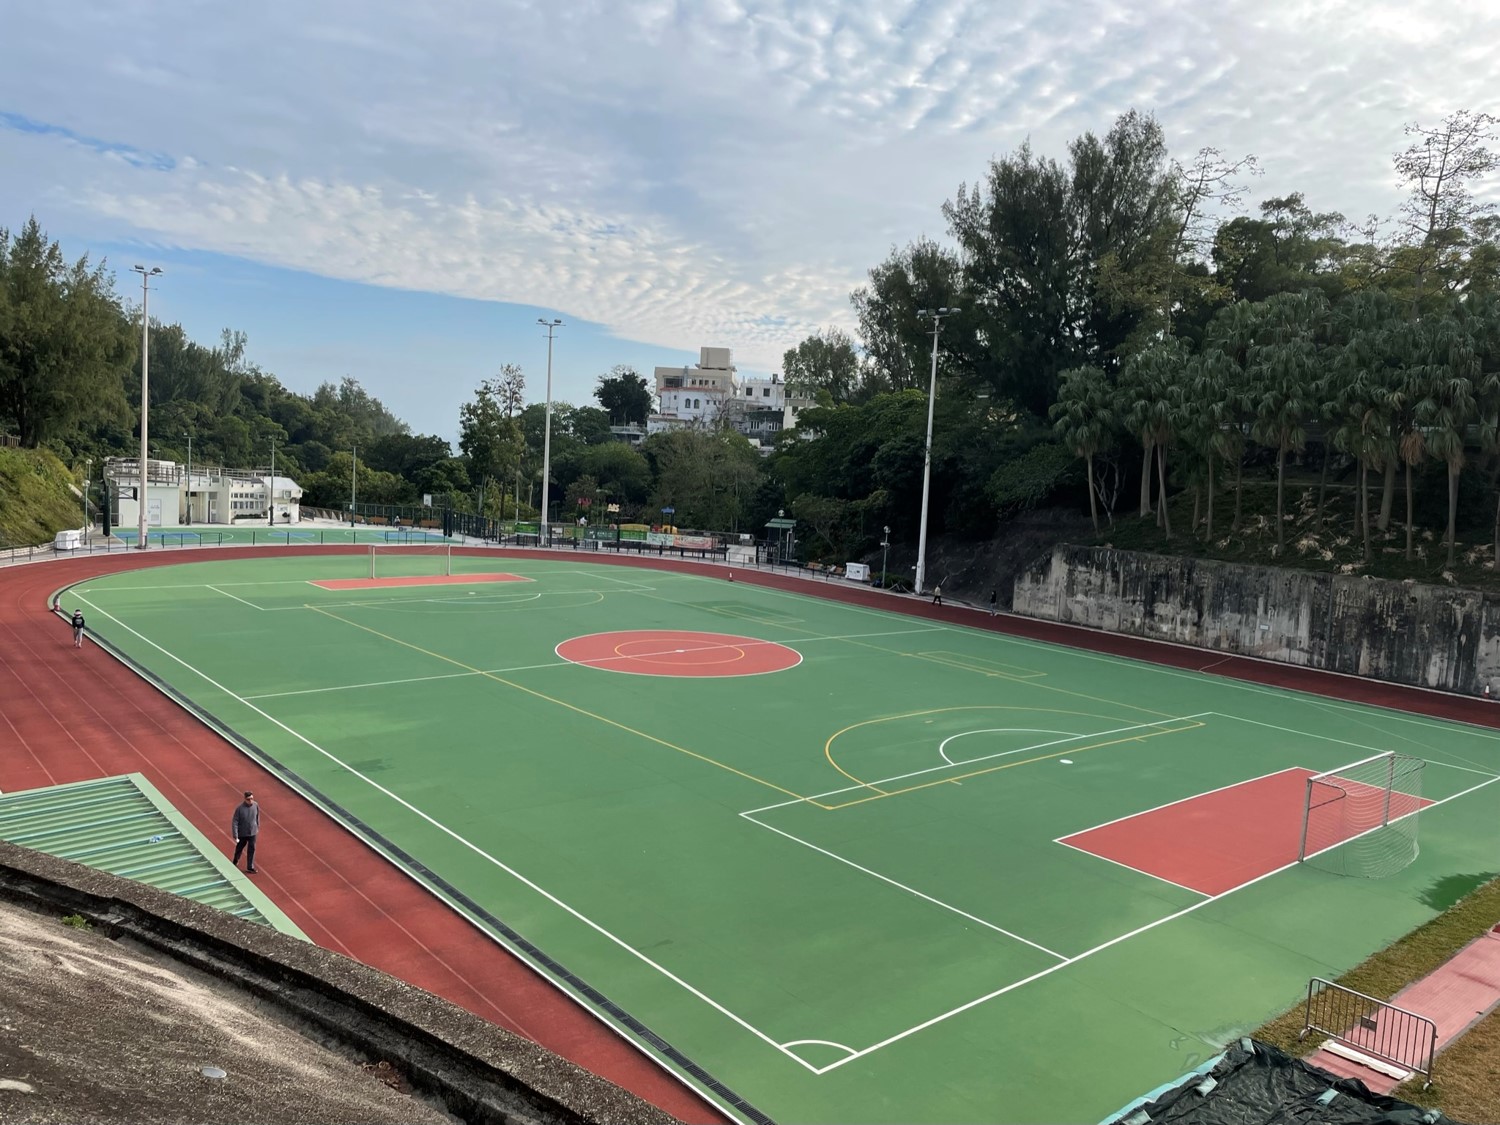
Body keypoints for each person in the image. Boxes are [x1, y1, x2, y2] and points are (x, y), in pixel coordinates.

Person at [231, 791, 260, 874]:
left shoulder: (256, 805)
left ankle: (250, 867)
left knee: (252, 849)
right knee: (239, 848)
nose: (250, 800)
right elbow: (235, 821)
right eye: (248, 799)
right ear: (245, 799)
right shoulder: (239, 809)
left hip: (253, 832)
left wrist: (257, 826)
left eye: (252, 798)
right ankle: (236, 860)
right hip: (242, 833)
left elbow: (257, 816)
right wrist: (235, 835)